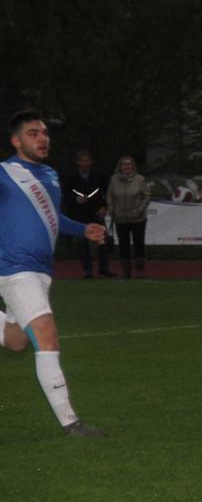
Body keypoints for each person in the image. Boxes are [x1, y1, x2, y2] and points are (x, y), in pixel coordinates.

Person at [0, 110, 106, 437]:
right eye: (33, 133)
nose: (42, 138)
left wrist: (82, 229)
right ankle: (70, 422)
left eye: (44, 133)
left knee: (17, 341)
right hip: (15, 269)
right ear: (16, 141)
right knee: (47, 334)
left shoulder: (50, 174)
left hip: (41, 271)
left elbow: (53, 219)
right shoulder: (5, 173)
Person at [62, 149, 115, 278]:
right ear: (77, 162)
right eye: (82, 161)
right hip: (79, 215)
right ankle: (87, 270)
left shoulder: (100, 176)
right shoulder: (70, 177)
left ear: (91, 162)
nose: (85, 163)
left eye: (87, 160)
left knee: (102, 241)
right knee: (82, 243)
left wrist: (104, 207)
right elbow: (65, 194)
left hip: (96, 213)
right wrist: (76, 199)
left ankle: (104, 268)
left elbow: (107, 193)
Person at [107, 155, 150, 278]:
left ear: (133, 166)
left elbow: (146, 196)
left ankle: (140, 269)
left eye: (129, 164)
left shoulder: (140, 179)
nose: (127, 166)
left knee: (138, 243)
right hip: (120, 217)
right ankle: (126, 270)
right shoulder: (113, 179)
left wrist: (140, 209)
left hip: (138, 218)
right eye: (124, 164)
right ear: (120, 167)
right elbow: (110, 195)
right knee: (123, 244)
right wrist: (111, 208)